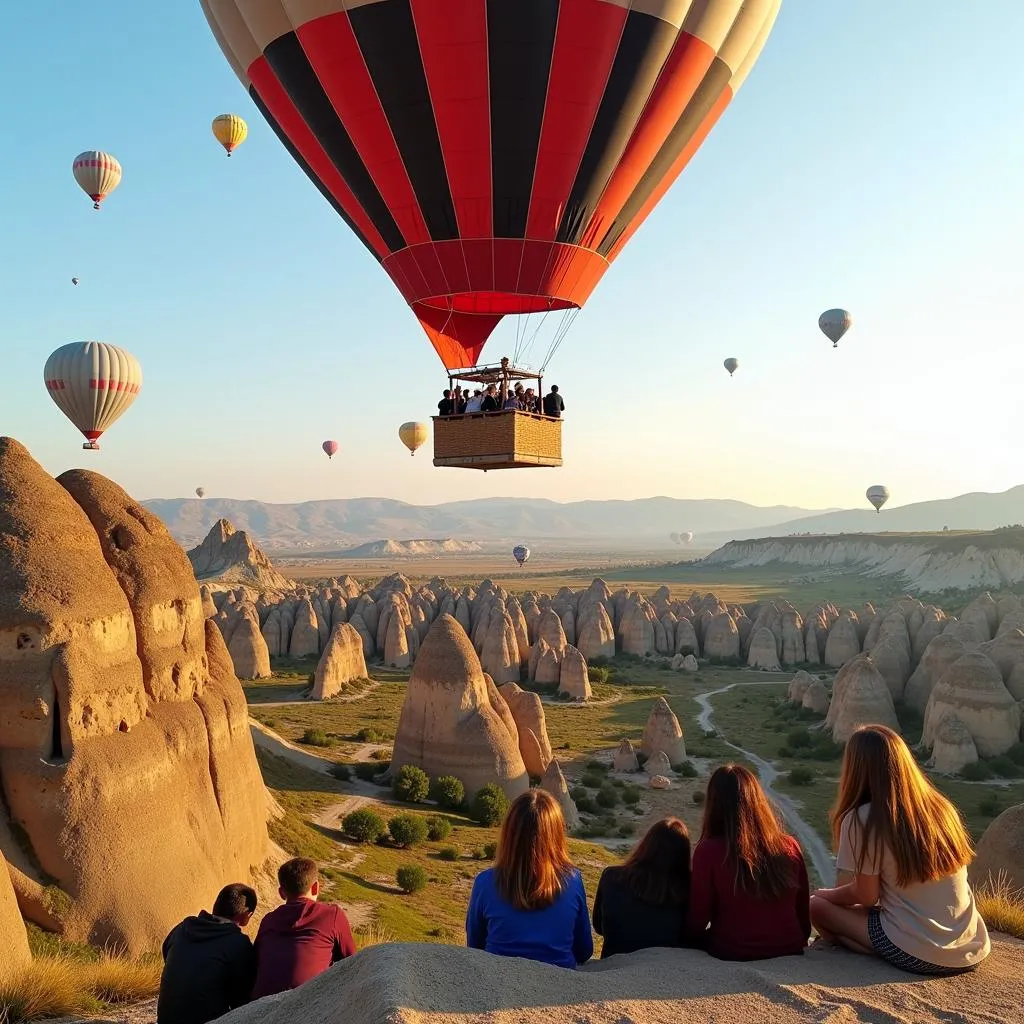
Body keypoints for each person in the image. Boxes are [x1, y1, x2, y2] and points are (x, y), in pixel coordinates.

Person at [809, 725, 990, 975]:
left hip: (920, 953)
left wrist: (825, 895)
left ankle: (879, 951)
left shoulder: (864, 819)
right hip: (971, 948)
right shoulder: (942, 808)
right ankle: (882, 946)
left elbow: (865, 896)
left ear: (857, 769)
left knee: (815, 907)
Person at [687, 764, 810, 960]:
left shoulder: (709, 852)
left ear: (714, 804)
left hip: (734, 950)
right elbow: (803, 914)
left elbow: (697, 921)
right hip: (790, 947)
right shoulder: (789, 845)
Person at [466, 789, 593, 968]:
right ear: (556, 834)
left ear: (509, 833)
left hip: (496, 981)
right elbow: (584, 951)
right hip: (559, 984)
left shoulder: (485, 883)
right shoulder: (572, 880)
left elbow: (474, 947)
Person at [251, 858, 356, 998]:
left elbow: (257, 961)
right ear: (315, 887)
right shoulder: (332, 915)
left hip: (259, 1006)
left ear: (281, 893)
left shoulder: (268, 920)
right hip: (308, 1004)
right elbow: (353, 962)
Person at [157, 883, 257, 1024]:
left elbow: (167, 955)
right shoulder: (238, 943)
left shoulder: (181, 928)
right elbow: (241, 1000)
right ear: (247, 915)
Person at [593, 817, 691, 958]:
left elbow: (598, 927)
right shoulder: (687, 888)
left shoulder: (611, 876)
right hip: (663, 968)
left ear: (646, 845)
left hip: (613, 964)